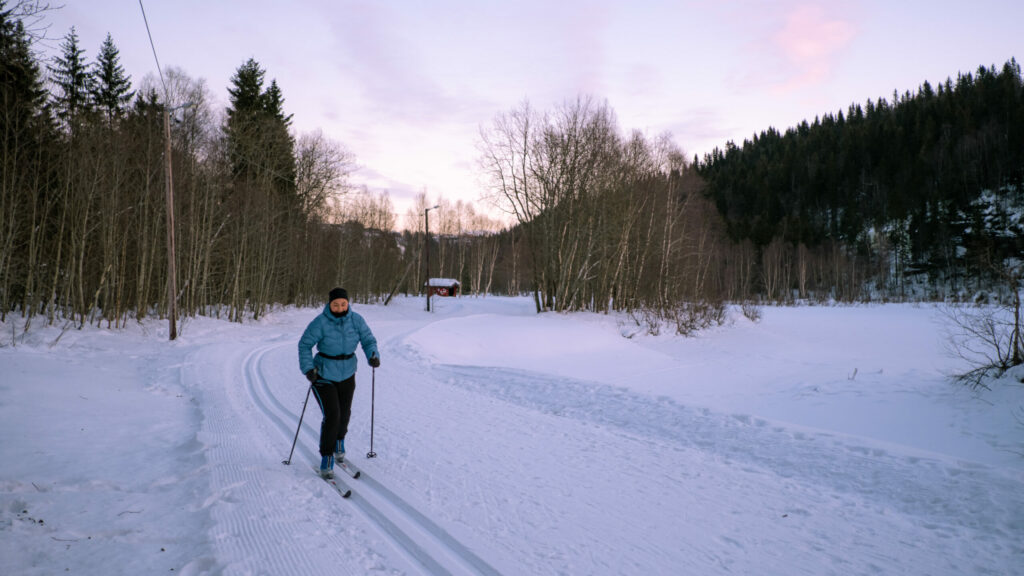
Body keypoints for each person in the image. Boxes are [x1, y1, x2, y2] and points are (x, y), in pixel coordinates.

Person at [298, 287, 380, 479]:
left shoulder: (356, 320)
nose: (340, 307)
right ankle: (326, 457)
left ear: (348, 303)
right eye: (336, 304)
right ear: (329, 304)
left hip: (348, 372)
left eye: (343, 303)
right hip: (323, 375)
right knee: (332, 415)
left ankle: (339, 442)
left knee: (345, 413)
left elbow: (368, 340)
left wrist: (373, 355)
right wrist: (308, 369)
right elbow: (304, 345)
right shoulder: (320, 322)